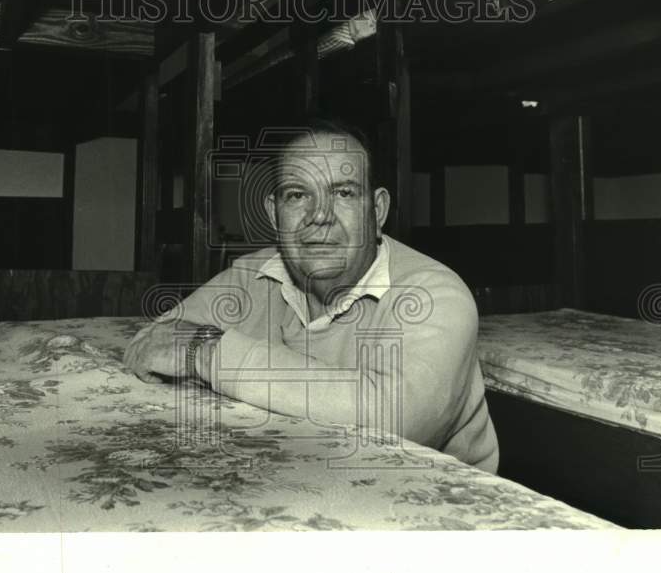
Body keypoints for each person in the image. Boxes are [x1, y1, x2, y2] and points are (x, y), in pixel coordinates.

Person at [123, 117, 499, 473]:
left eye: (344, 193)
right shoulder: (254, 274)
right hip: (299, 480)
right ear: (274, 215)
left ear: (378, 210)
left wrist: (206, 354)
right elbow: (156, 342)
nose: (319, 215)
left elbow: (395, 422)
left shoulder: (435, 294)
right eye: (298, 194)